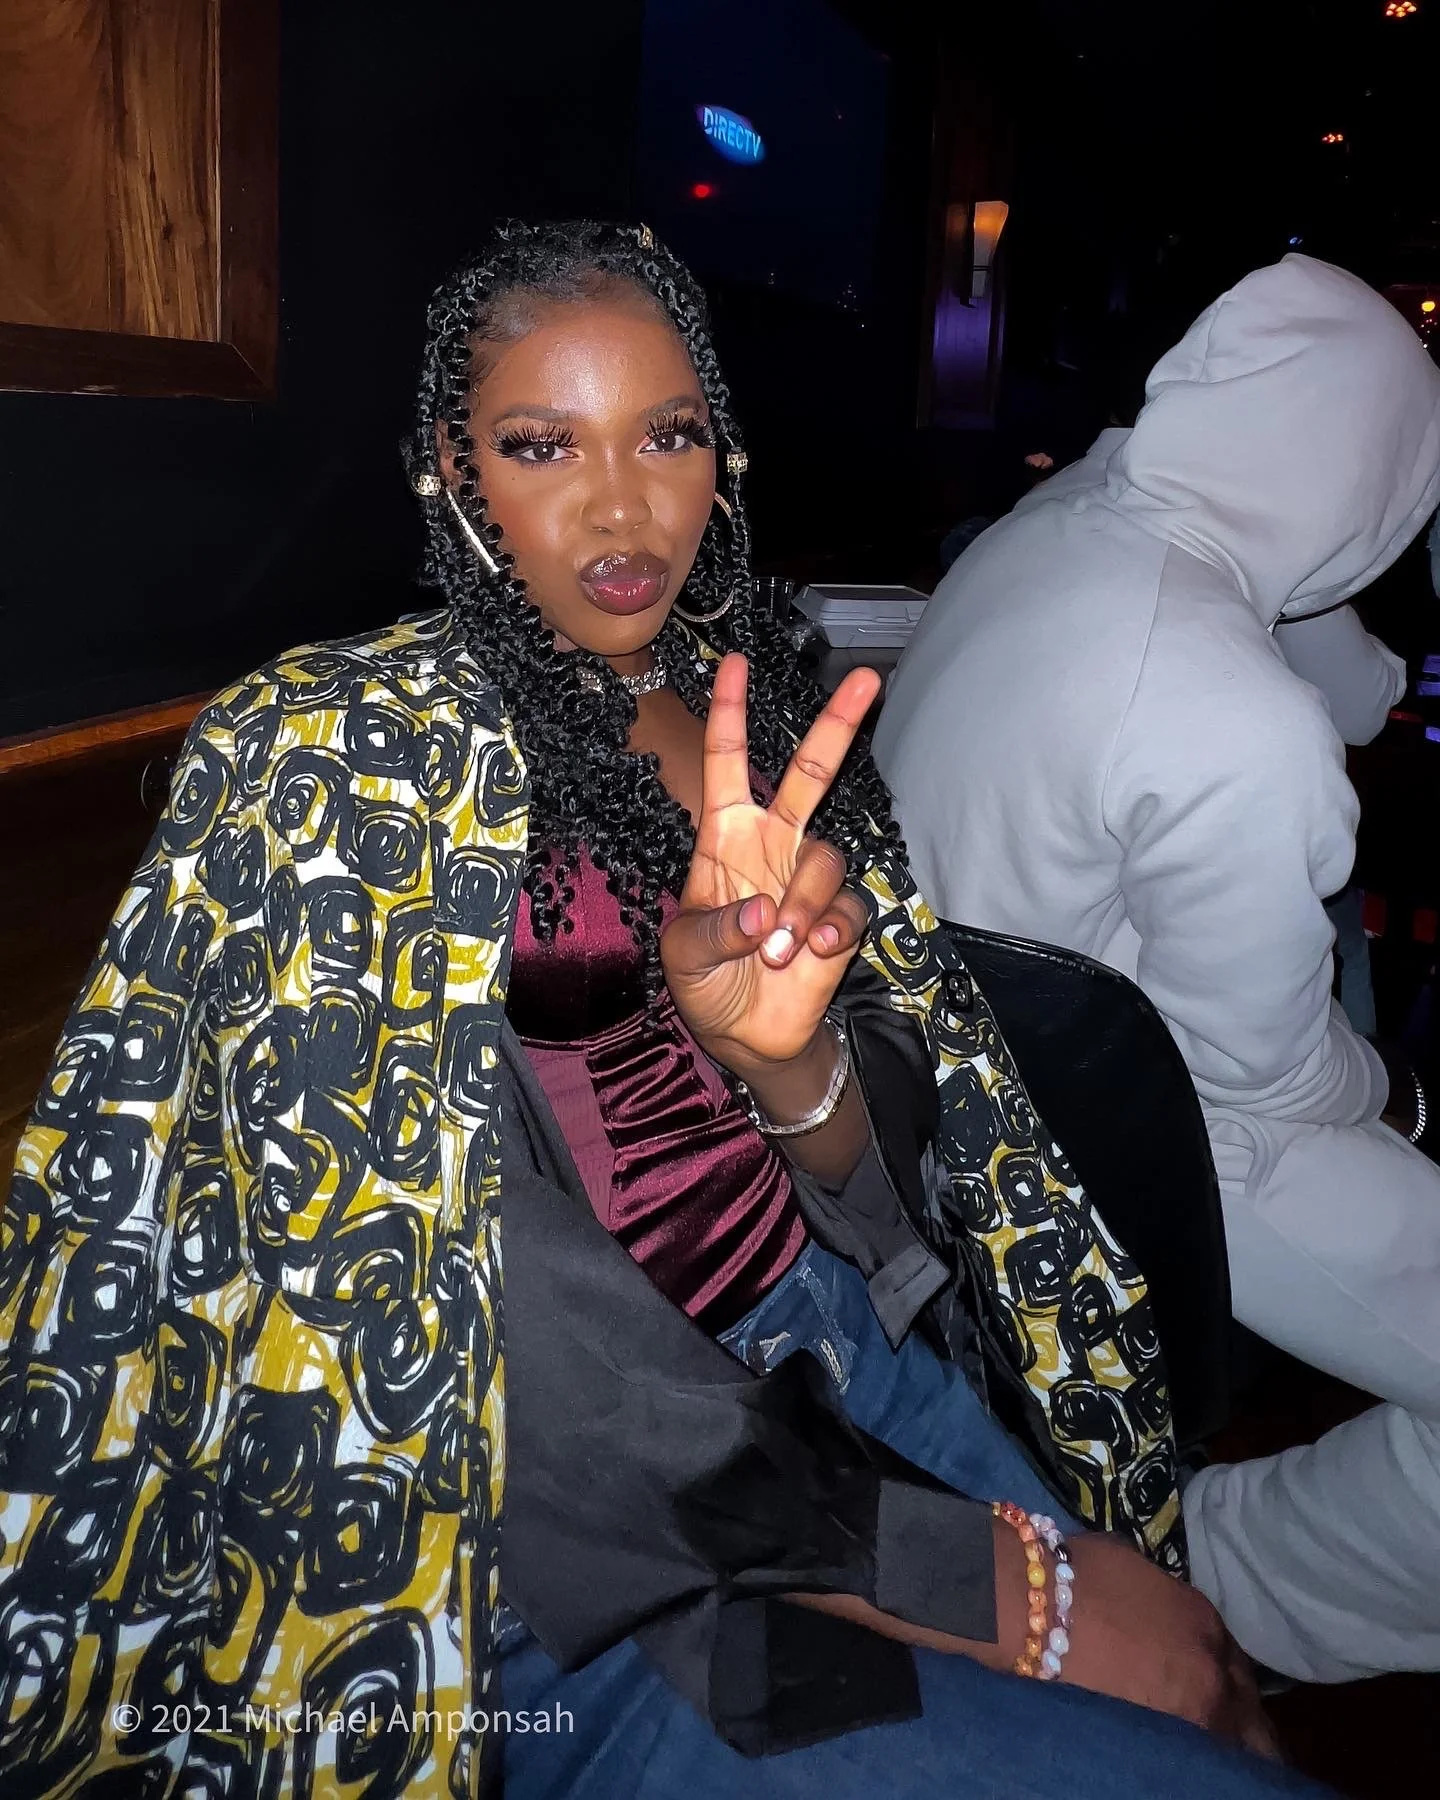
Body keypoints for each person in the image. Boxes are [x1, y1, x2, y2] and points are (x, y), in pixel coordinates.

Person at [0, 222, 1336, 1800]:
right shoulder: (336, 758)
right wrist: (983, 1588)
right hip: (580, 1541)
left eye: (670, 435)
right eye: (542, 445)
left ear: (726, 447)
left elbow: (886, 1161)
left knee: (1216, 1687)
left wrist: (790, 1070)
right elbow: (472, 1308)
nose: (625, 508)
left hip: (847, 1359)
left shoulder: (750, 710)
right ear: (451, 466)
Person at [874, 252, 1440, 1684]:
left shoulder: (1067, 516)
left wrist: (1324, 600)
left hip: (943, 1082)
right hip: (1144, 1143)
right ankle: (1230, 1574)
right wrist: (1403, 1095)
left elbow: (1330, 651)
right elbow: (1273, 1073)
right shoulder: (1231, 723)